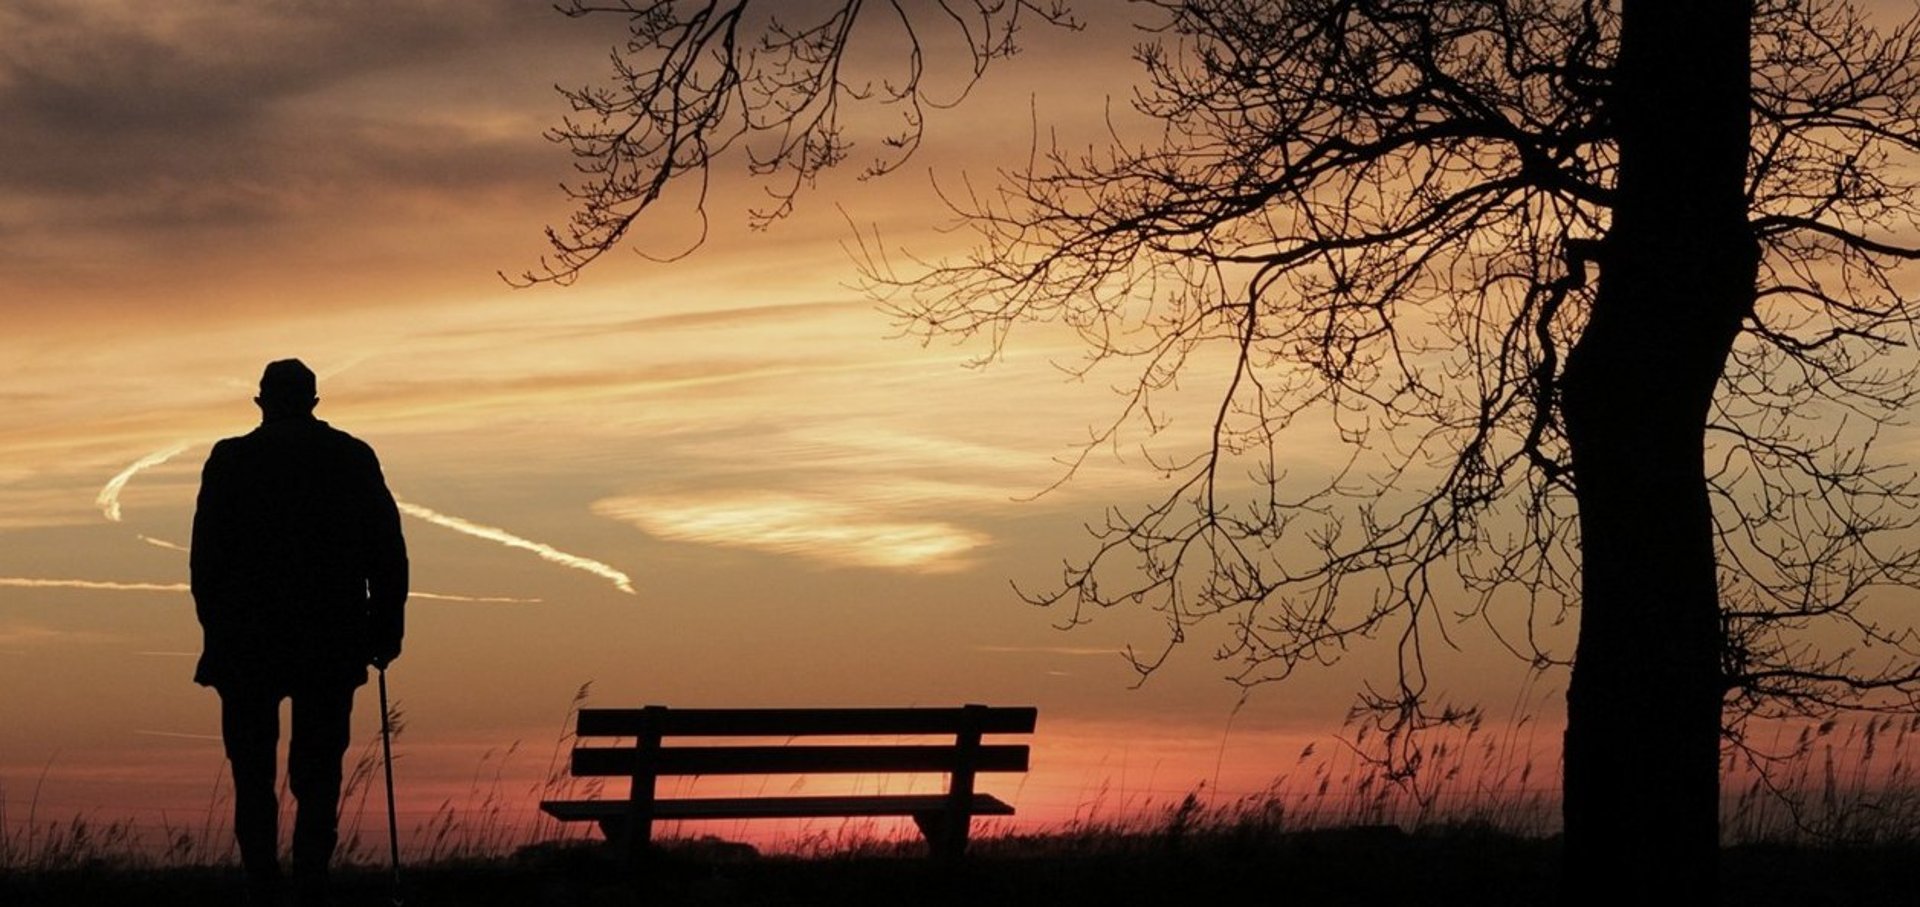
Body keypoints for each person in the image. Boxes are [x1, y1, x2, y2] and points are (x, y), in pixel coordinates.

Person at [191, 358, 408, 906]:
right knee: (319, 768)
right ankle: (312, 876)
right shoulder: (350, 457)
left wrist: (216, 630)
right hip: (329, 638)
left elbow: (205, 561)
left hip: (248, 642)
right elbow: (387, 553)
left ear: (262, 402)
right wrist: (385, 629)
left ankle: (263, 879)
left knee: (252, 769)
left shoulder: (231, 460)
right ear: (314, 402)